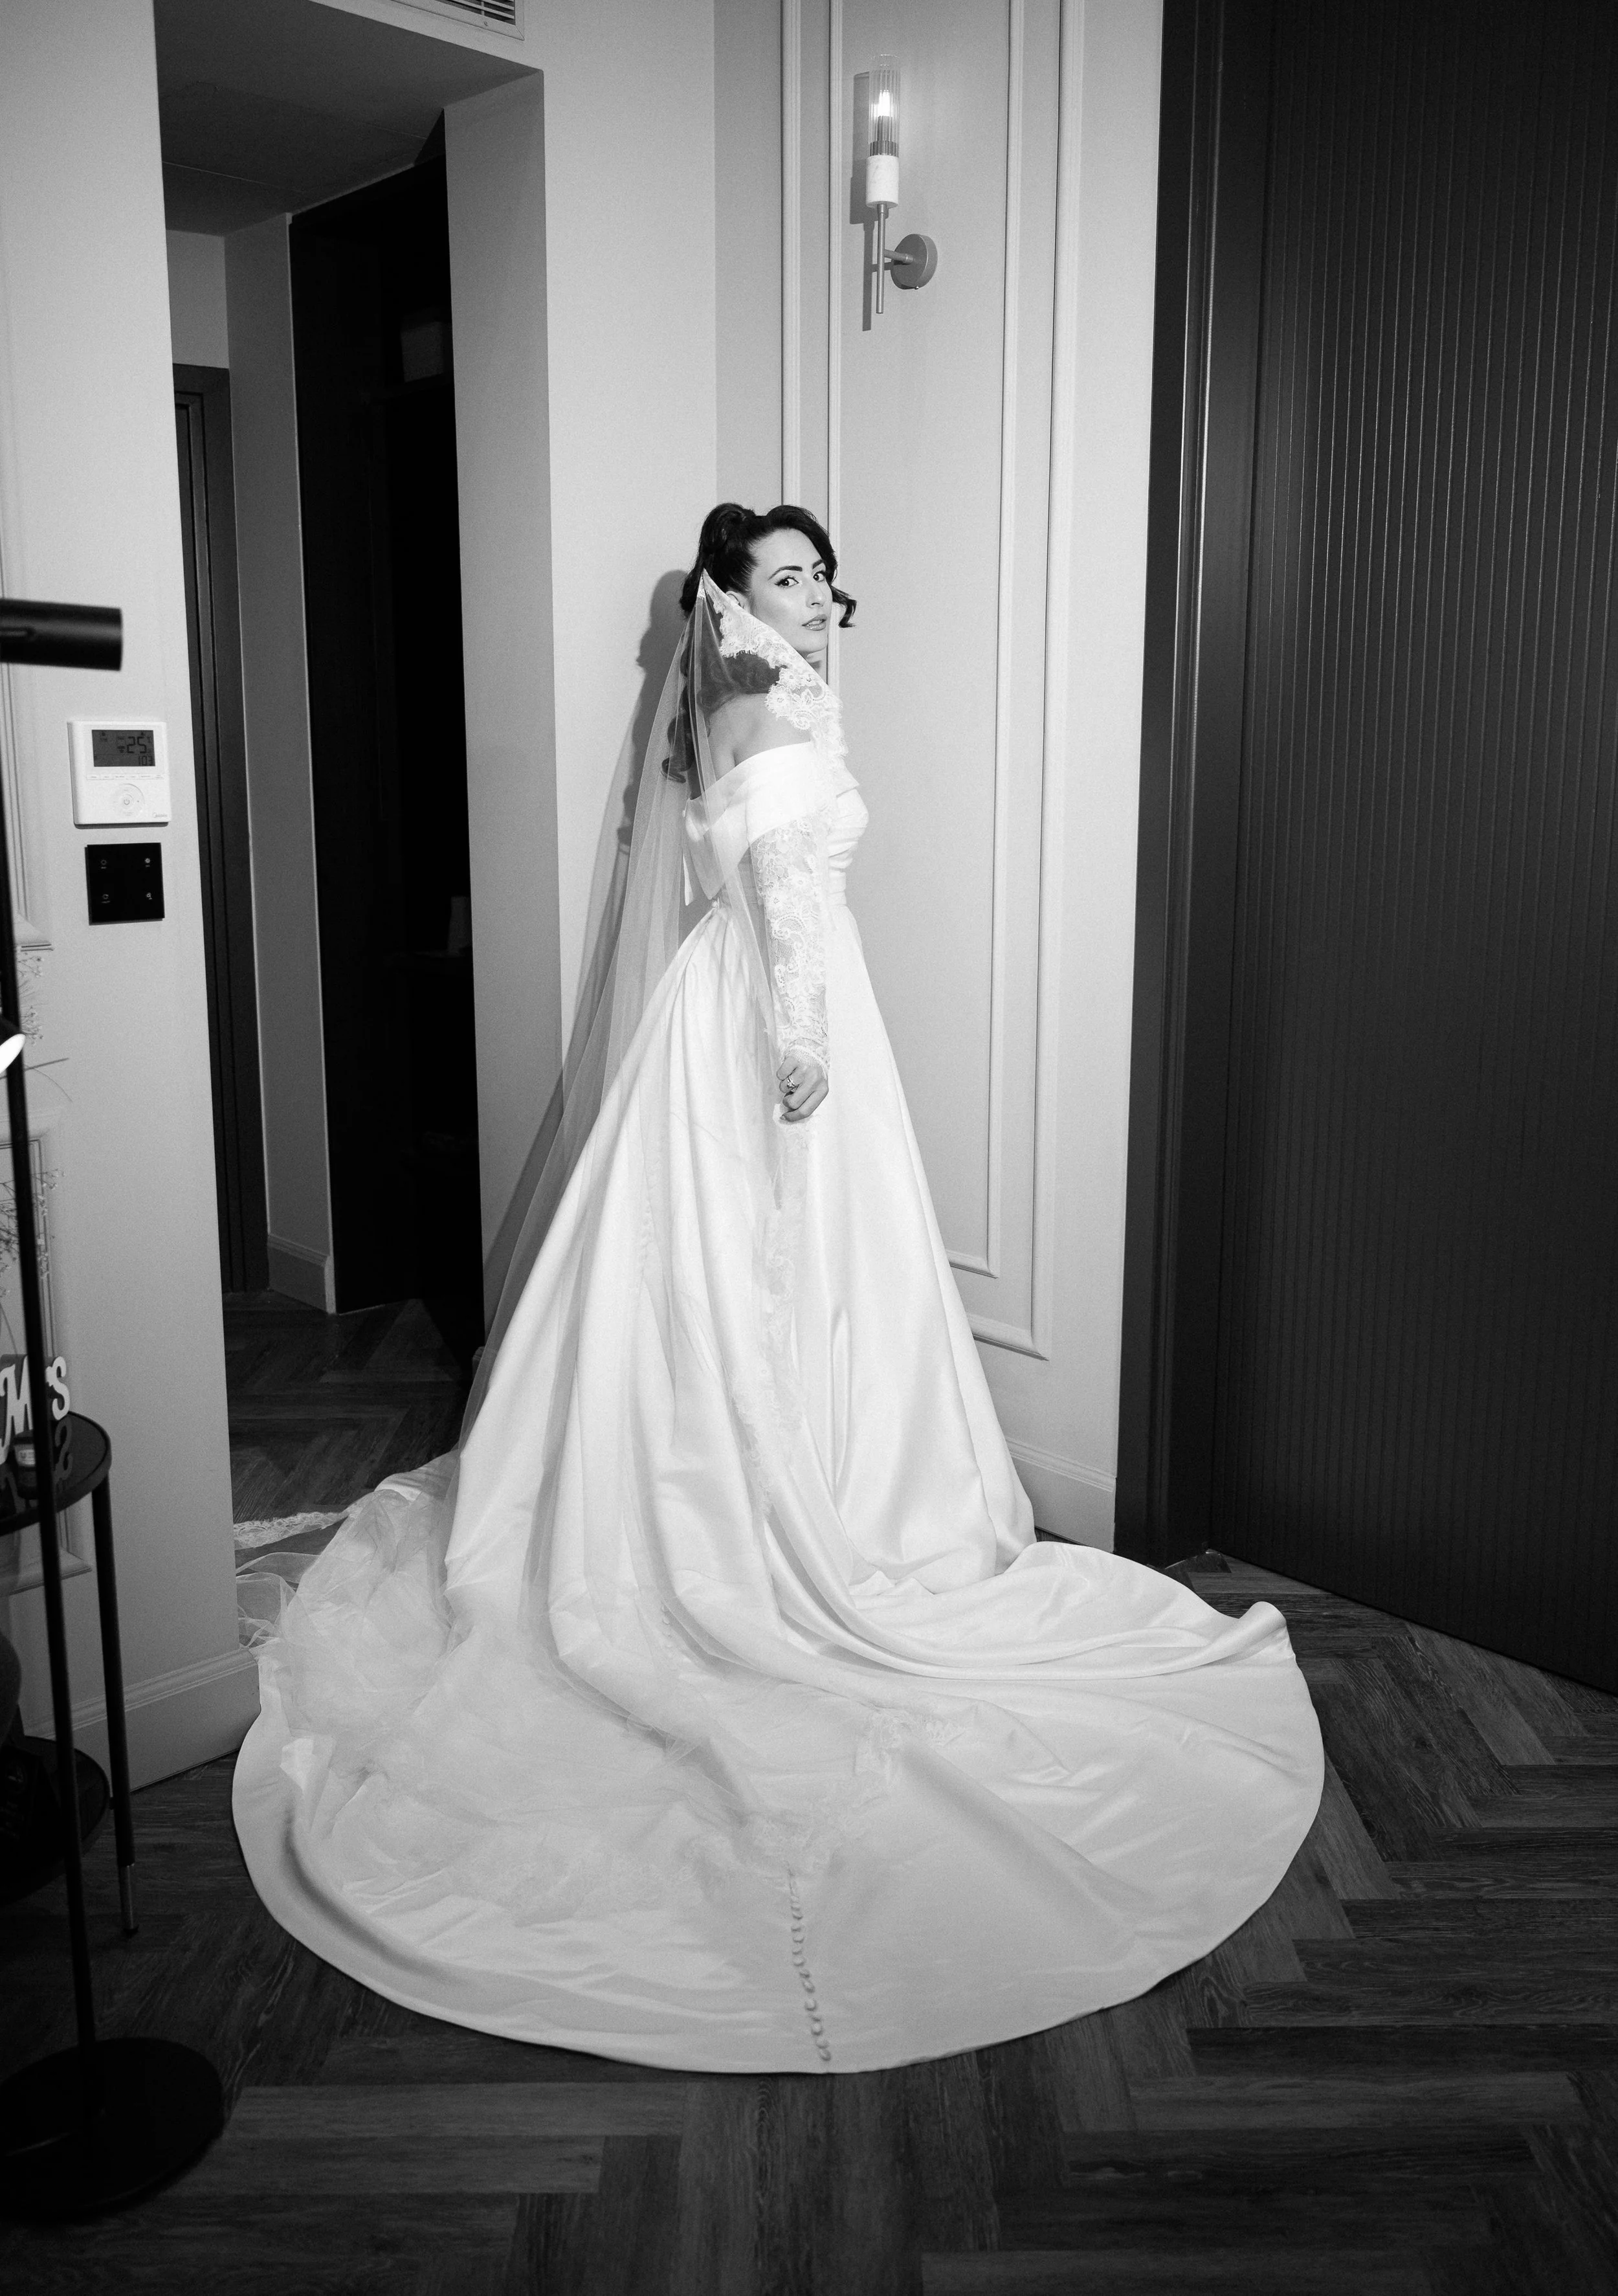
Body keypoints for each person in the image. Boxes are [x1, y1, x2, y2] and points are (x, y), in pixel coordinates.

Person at [234, 502, 1322, 2073]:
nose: (817, 597)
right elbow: (779, 887)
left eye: (822, 576)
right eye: (788, 577)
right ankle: (764, 1527)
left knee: (763, 1296)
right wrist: (801, 1045)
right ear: (732, 599)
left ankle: (803, 1497)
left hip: (755, 1008)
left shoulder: (742, 702)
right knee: (754, 1280)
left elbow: (763, 868)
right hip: (777, 1023)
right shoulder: (765, 706)